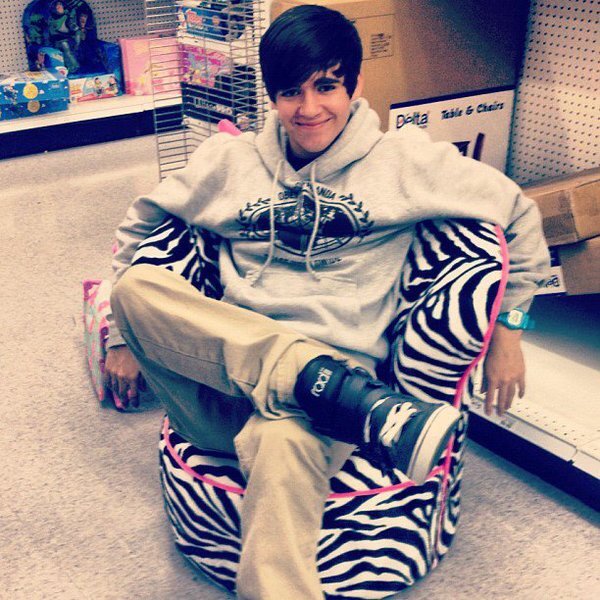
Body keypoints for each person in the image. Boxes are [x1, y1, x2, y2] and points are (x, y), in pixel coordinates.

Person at [105, 5, 550, 599]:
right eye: (291, 91)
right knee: (136, 289)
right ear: (271, 95)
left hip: (319, 409)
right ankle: (324, 385)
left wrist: (509, 331)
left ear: (355, 84)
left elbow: (518, 213)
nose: (309, 108)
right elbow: (141, 224)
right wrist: (120, 335)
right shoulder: (227, 162)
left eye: (326, 86)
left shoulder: (406, 161)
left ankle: (323, 385)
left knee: (284, 447)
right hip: (224, 385)